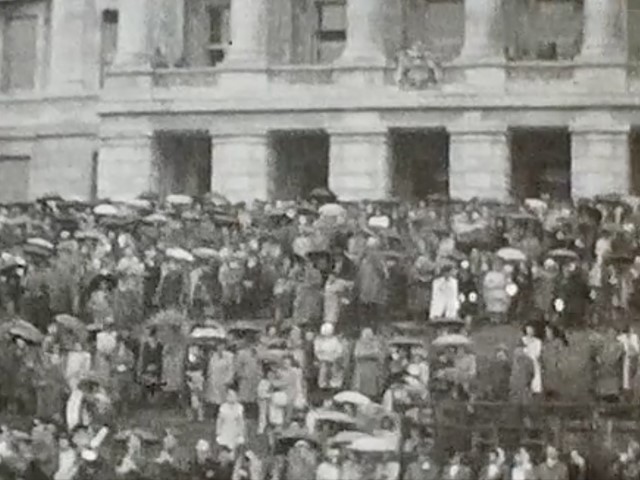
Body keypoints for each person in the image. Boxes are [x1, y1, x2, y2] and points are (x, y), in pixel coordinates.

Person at [352, 328, 384, 400]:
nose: (367, 336)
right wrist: (370, 354)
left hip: (372, 370)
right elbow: (357, 354)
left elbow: (377, 354)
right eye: (366, 334)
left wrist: (366, 354)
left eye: (369, 334)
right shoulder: (359, 343)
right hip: (361, 369)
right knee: (360, 388)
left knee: (371, 390)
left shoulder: (375, 343)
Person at [206, 343, 236, 418]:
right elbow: (210, 368)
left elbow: (231, 369)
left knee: (224, 398)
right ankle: (216, 414)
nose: (219, 347)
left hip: (224, 380)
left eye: (221, 345)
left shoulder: (229, 356)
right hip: (214, 380)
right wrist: (209, 377)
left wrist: (228, 380)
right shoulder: (213, 356)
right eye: (218, 346)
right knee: (215, 398)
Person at [216, 389, 246, 455]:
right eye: (229, 395)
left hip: (235, 429)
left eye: (233, 396)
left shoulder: (239, 407)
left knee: (237, 442)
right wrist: (218, 430)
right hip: (225, 428)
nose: (230, 397)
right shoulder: (223, 407)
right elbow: (220, 420)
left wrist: (241, 431)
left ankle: (234, 454)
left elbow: (240, 421)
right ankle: (223, 453)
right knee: (223, 441)